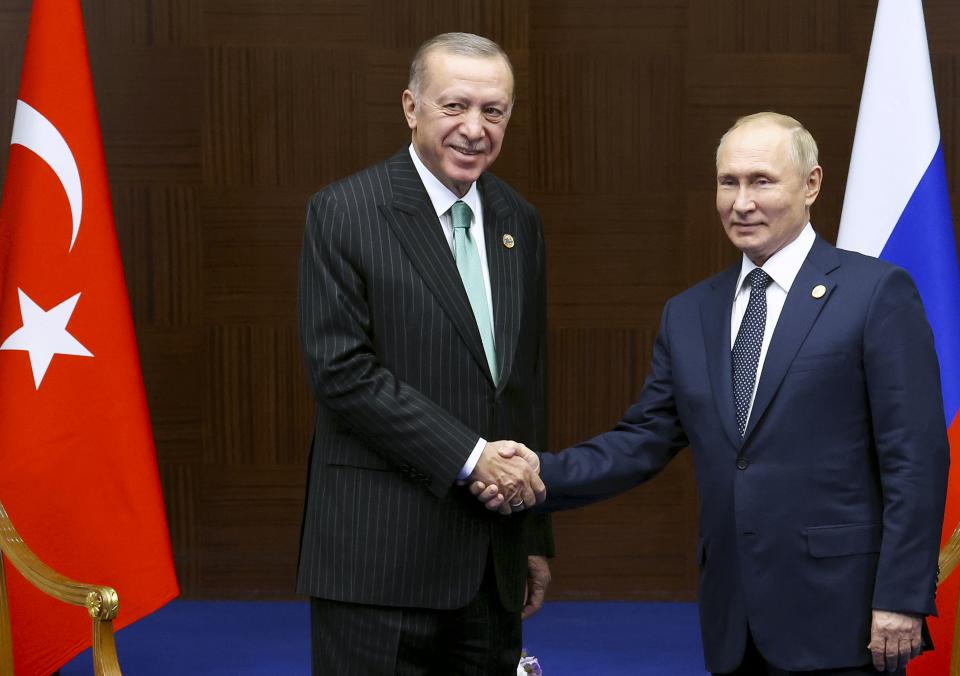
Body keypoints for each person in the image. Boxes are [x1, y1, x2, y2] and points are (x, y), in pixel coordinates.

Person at [473, 112, 949, 675]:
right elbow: (642, 440)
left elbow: (914, 459)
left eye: (761, 181)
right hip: (734, 618)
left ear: (812, 184)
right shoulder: (691, 312)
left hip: (845, 614)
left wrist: (900, 595)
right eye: (728, 182)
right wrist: (534, 475)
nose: (740, 202)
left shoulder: (874, 294)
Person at [296, 32, 553, 675]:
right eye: (454, 106)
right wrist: (474, 460)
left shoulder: (518, 220)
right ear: (411, 107)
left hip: (490, 563)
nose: (475, 128)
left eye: (493, 111)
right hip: (379, 562)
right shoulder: (344, 211)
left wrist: (533, 534)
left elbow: (524, 386)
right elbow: (343, 373)